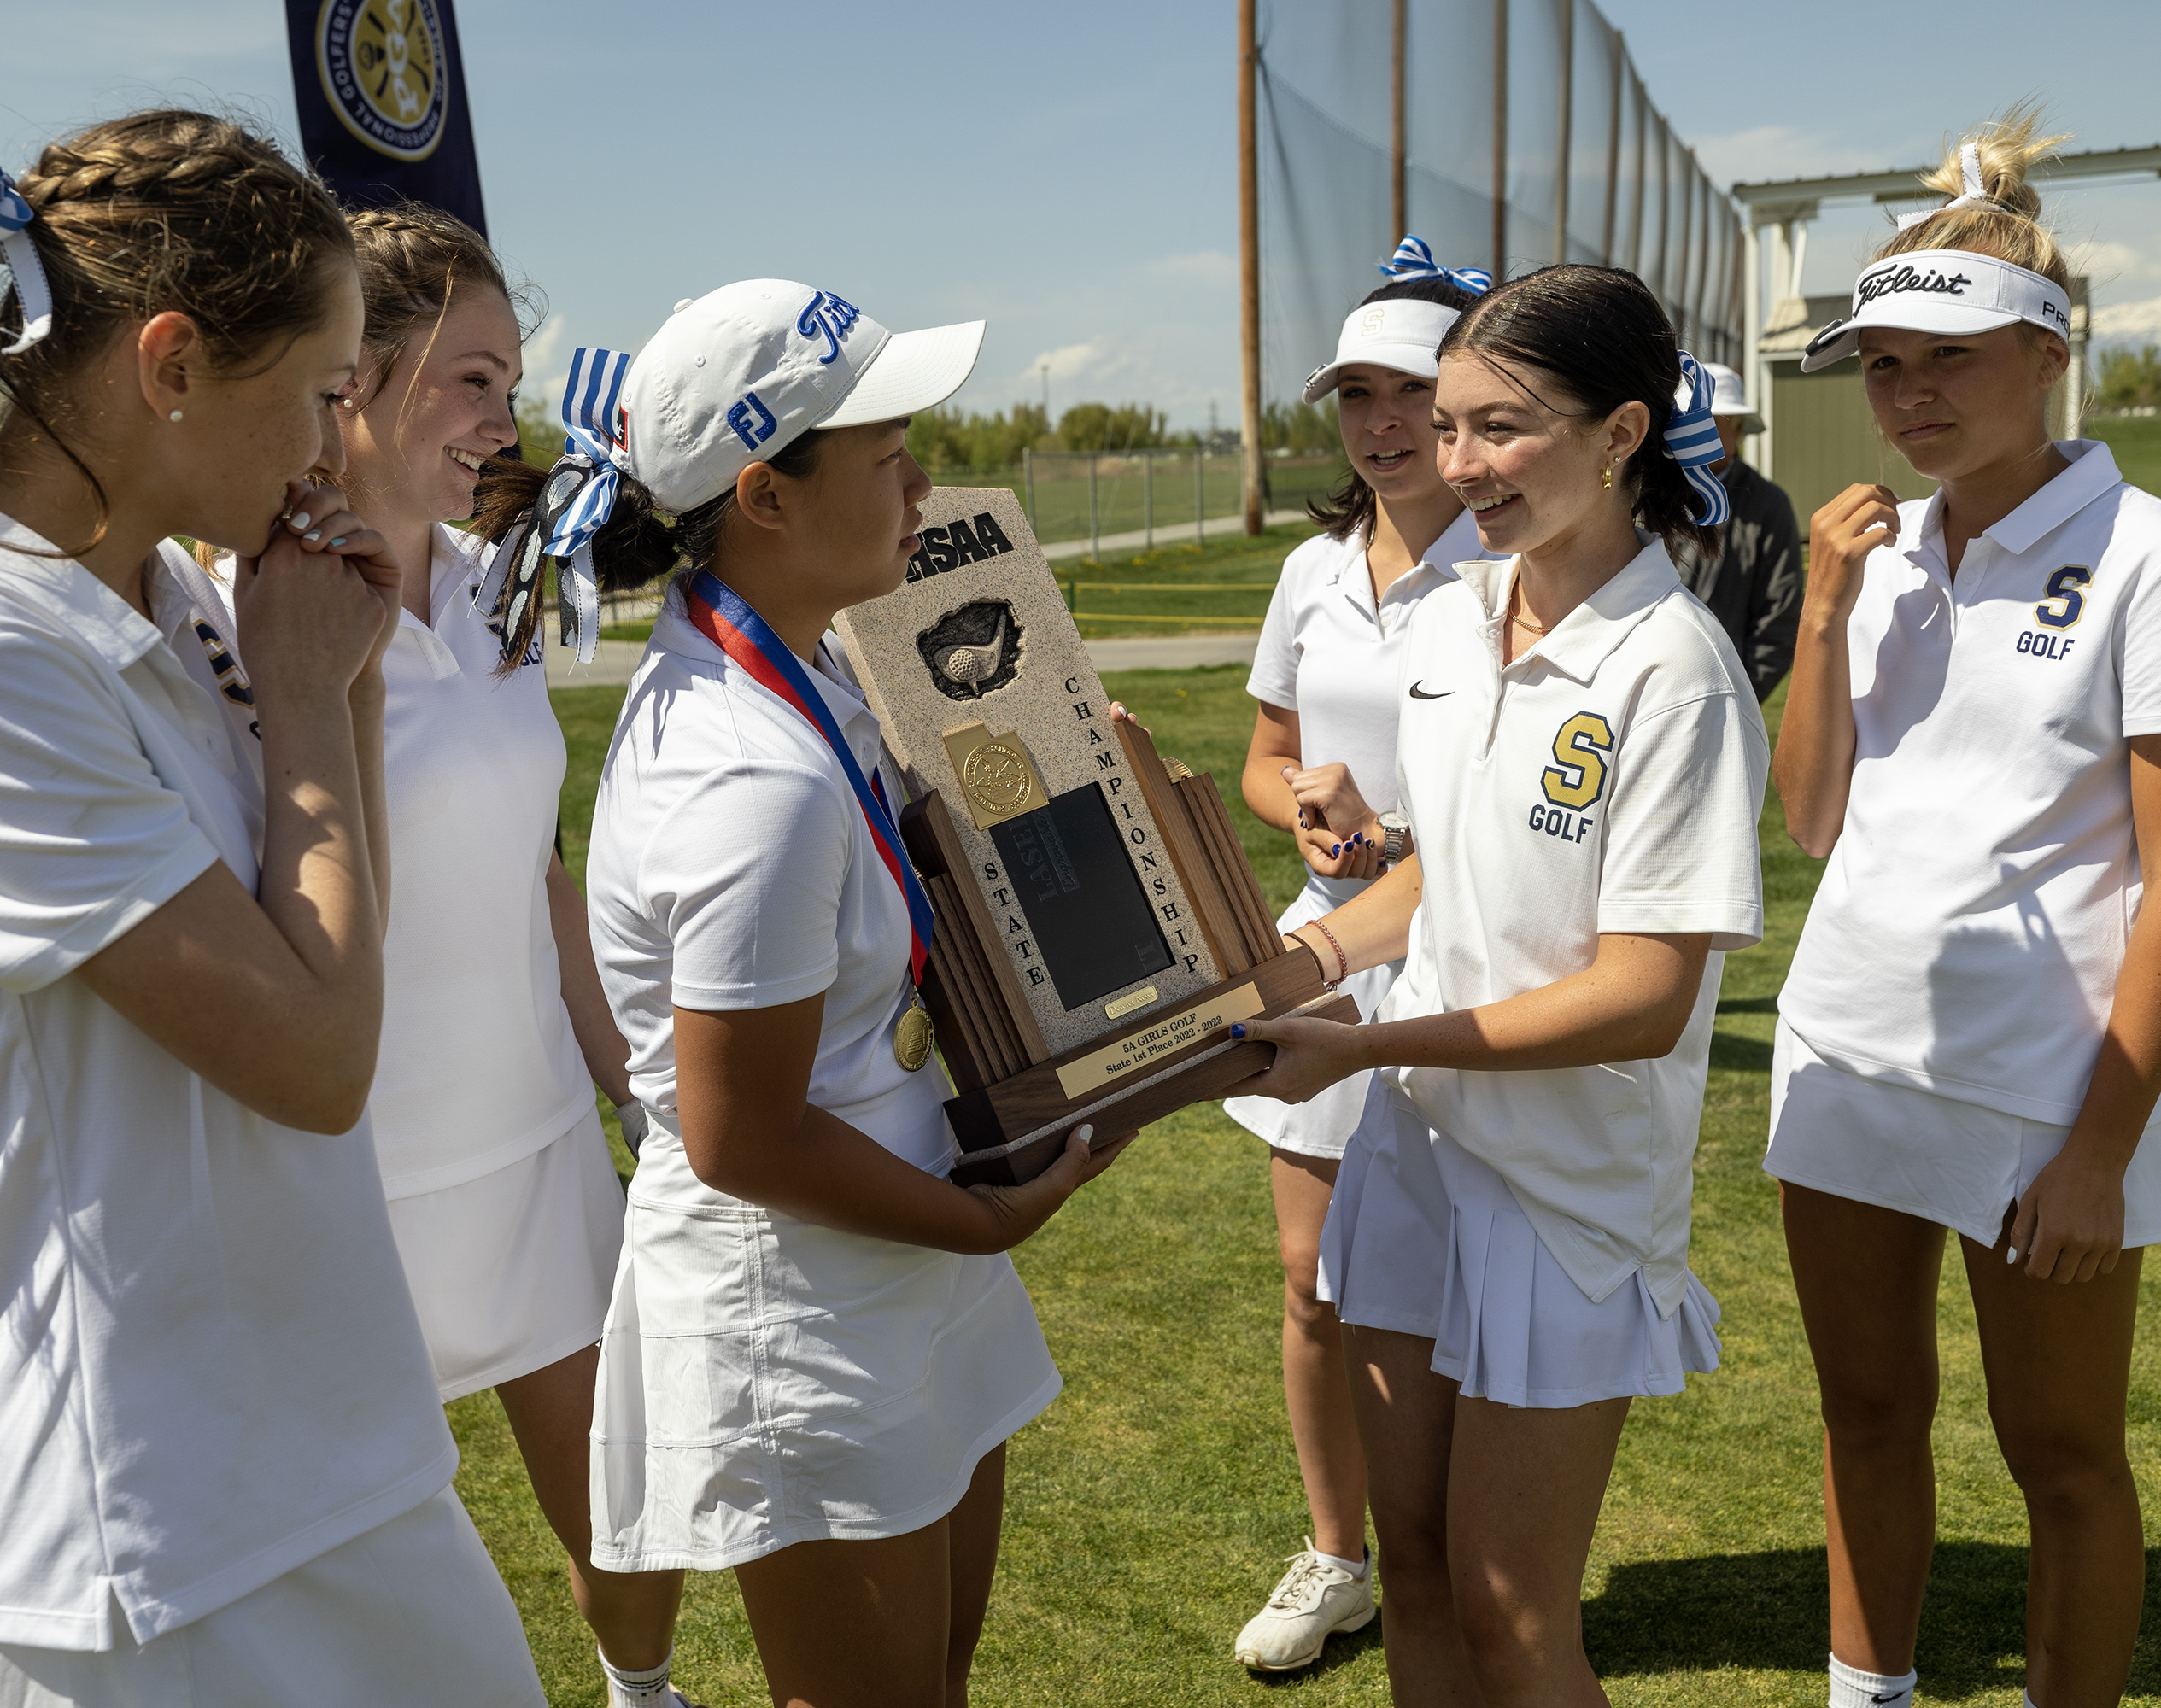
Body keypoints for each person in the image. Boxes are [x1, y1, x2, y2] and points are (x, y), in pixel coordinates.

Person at [0, 114, 544, 1705]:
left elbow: (337, 960)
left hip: (313, 1439)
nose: (335, 444)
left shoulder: (170, 591)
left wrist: (320, 692)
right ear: (174, 363)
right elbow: (317, 1060)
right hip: (150, 1523)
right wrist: (304, 695)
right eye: (324, 394)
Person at [567, 281, 1128, 1707]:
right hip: (807, 1291)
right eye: (886, 458)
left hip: (894, 1239)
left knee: (930, 1679)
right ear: (766, 493)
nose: (922, 485)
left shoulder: (803, 671)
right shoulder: (745, 775)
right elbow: (741, 1134)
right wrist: (983, 1218)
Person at [1232, 264, 1767, 1705]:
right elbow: (1438, 876)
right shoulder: (1460, 619)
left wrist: (1356, 1044)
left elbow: (1643, 998)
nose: (1461, 464)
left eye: (1504, 428)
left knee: (1515, 1613)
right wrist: (1301, 963)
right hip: (1415, 1149)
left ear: (1622, 433)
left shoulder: (1673, 671)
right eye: (1451, 425)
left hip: (1564, 1198)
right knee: (1411, 1563)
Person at [189, 201, 690, 1708]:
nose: (503, 418)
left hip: (534, 1135)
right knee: (373, 1562)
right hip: (351, 1166)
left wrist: (636, 1094)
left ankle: (644, 1694)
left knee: (625, 1496)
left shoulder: (500, 591)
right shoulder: (231, 614)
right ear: (356, 379)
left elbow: (537, 873)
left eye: (511, 382)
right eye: (472, 379)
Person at [1768, 109, 2161, 1708]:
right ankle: (1862, 1694)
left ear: (2049, 353)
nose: (1909, 396)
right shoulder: (1874, 561)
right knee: (1865, 1417)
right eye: (1882, 364)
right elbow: (1812, 820)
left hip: (2040, 1099)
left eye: (1946, 357)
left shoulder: (2159, 559)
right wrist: (1818, 609)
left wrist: (2099, 1146)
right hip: (1846, 1055)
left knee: (2068, 1459)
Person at [1219, 233, 1487, 1675]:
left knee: (1452, 1278)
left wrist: (1405, 840)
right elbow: (1268, 762)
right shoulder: (1316, 571)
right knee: (1314, 1275)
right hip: (1328, 958)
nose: (1382, 427)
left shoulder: (1518, 569)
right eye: (1357, 398)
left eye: (1412, 395)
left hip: (1469, 962)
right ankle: (1342, 1558)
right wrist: (1321, 822)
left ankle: (1458, 1557)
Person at [1663, 361, 1801, 701]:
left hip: (1720, 695)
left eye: (1713, 421)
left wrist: (1737, 699)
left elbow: (1780, 620)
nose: (1700, 431)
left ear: (1739, 429)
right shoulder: (1647, 495)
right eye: (1691, 421)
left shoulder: (1768, 506)